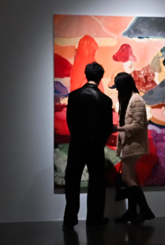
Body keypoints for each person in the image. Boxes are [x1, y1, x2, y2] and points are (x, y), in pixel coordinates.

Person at [63, 62, 115, 229]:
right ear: (100, 78)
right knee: (97, 183)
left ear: (86, 75)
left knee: (72, 181)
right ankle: (94, 218)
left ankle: (70, 218)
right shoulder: (105, 100)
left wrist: (76, 136)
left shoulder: (74, 96)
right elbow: (107, 127)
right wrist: (100, 142)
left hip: (77, 143)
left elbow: (70, 120)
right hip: (96, 146)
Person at [111, 72, 155, 224]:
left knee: (126, 178)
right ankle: (132, 212)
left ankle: (145, 209)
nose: (117, 90)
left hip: (133, 144)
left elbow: (137, 125)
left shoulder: (136, 100)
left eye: (118, 87)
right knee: (130, 178)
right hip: (129, 144)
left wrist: (118, 129)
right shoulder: (129, 99)